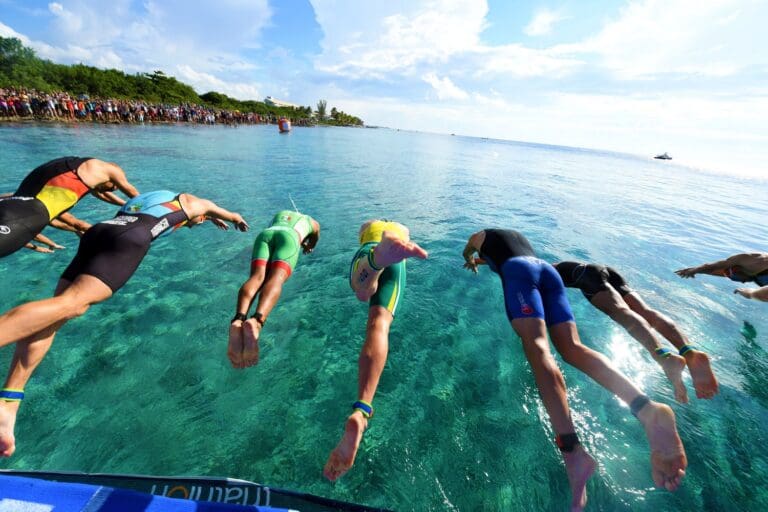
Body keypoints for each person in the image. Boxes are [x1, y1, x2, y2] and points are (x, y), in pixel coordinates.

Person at [0, 190, 248, 457]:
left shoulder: (155, 198)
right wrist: (226, 217)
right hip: (129, 239)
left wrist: (207, 218)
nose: (196, 223)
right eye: (198, 220)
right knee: (73, 304)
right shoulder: (196, 202)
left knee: (55, 313)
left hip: (100, 232)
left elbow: (195, 214)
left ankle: (8, 402)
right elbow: (227, 212)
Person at [462, 229, 687, 511]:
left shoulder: (478, 235)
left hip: (518, 272)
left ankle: (572, 451)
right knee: (572, 348)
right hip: (548, 272)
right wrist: (483, 260)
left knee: (537, 346)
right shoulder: (510, 238)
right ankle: (645, 407)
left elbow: (469, 250)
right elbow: (502, 256)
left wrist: (470, 258)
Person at [323, 220, 428, 481]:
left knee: (361, 292)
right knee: (379, 324)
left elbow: (362, 232)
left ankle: (376, 260)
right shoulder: (403, 228)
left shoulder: (367, 225)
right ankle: (362, 409)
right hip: (399, 258)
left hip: (369, 248)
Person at [554, 262, 719, 403]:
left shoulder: (532, 273)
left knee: (619, 311)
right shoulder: (538, 264)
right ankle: (688, 350)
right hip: (603, 270)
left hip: (584, 276)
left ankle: (663, 357)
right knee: (646, 311)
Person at [228, 209, 320, 368]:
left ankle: (238, 319)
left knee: (257, 277)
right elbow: (315, 234)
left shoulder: (281, 214)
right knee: (276, 278)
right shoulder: (310, 221)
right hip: (290, 238)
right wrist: (308, 246)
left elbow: (276, 228)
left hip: (266, 235)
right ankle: (257, 321)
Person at [0, 157, 139, 258]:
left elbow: (103, 195)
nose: (108, 191)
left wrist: (126, 206)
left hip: (13, 207)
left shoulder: (75, 169)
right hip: (28, 213)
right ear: (113, 179)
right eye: (114, 187)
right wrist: (141, 210)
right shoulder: (108, 169)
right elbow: (135, 196)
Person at [676, 253, 768, 302]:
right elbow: (714, 268)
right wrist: (696, 270)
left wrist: (743, 291)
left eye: (739, 279)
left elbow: (756, 295)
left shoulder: (751, 261)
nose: (743, 282)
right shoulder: (749, 262)